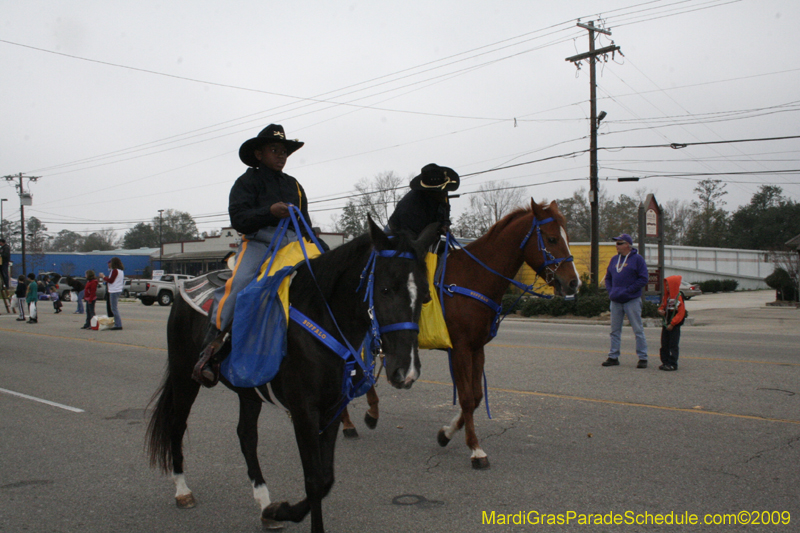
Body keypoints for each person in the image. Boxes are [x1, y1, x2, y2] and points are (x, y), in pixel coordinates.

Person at [193, 124, 326, 386]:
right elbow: (239, 219)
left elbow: (306, 223)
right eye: (274, 150)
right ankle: (211, 348)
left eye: (284, 151)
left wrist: (322, 248)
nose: (281, 155)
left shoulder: (294, 185)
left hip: (294, 244)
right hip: (260, 243)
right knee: (240, 285)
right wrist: (270, 212)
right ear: (259, 154)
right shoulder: (246, 182)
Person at [601, 233, 649, 368]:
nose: (617, 246)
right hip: (616, 300)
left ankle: (643, 357)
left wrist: (628, 290)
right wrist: (611, 291)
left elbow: (643, 279)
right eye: (616, 243)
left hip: (631, 300)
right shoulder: (614, 260)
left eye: (620, 243)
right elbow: (608, 277)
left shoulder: (637, 259)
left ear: (628, 245)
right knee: (615, 330)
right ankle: (613, 356)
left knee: (638, 329)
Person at [387, 163, 459, 239]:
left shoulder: (441, 195)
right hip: (401, 235)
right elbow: (413, 241)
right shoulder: (410, 207)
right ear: (430, 192)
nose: (445, 194)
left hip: (423, 231)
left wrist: (445, 225)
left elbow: (445, 209)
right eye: (441, 192)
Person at [657, 275, 686, 371]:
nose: (667, 288)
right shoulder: (667, 297)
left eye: (669, 286)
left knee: (673, 345)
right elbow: (662, 306)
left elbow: (681, 313)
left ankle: (673, 363)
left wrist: (673, 323)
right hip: (666, 323)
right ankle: (665, 362)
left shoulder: (679, 297)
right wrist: (661, 310)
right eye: (666, 286)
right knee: (664, 344)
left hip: (674, 325)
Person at [99, 257, 124, 330]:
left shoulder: (115, 271)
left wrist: (103, 276)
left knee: (114, 308)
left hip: (114, 290)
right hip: (117, 289)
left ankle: (118, 324)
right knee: (114, 308)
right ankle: (117, 323)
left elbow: (111, 280)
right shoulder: (120, 271)